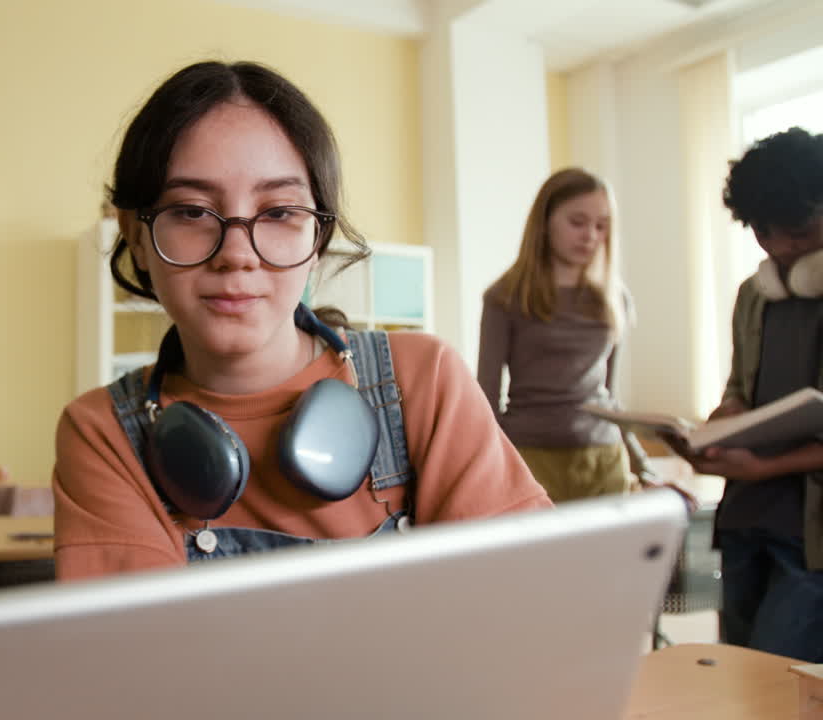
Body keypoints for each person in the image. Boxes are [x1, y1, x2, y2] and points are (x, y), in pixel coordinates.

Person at [52, 60, 550, 581]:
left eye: (278, 212)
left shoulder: (422, 381)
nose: (238, 254)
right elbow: (141, 655)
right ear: (135, 236)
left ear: (318, 241)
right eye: (193, 212)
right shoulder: (103, 434)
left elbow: (524, 597)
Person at [682, 126, 823, 662]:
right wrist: (721, 426)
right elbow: (739, 389)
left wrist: (764, 466)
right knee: (738, 679)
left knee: (781, 682)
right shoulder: (753, 296)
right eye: (765, 233)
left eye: (800, 231)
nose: (782, 249)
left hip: (811, 545)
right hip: (744, 521)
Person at [477, 168, 659, 503]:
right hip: (531, 460)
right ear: (545, 222)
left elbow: (610, 397)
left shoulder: (615, 298)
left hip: (604, 460)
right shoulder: (504, 297)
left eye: (601, 226)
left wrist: (643, 466)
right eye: (578, 222)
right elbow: (486, 400)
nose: (590, 235)